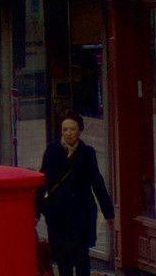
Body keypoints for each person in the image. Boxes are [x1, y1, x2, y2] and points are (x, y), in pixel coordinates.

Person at [39, 113, 115, 276]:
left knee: (81, 257)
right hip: (58, 214)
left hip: (82, 213)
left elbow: (97, 182)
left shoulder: (87, 153)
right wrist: (36, 211)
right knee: (62, 258)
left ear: (79, 131)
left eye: (72, 129)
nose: (68, 133)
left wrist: (108, 212)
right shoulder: (52, 151)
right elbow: (42, 181)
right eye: (65, 129)